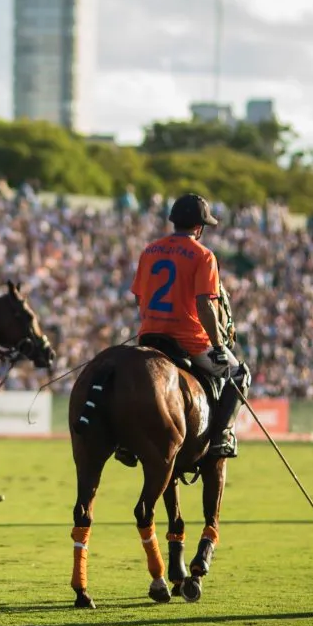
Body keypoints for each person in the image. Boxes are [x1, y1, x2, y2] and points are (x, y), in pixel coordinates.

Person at [131, 193, 244, 460]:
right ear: (199, 227)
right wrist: (217, 345)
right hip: (188, 341)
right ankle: (222, 437)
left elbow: (139, 297)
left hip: (149, 336)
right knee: (240, 374)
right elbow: (205, 305)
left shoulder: (149, 251)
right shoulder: (204, 256)